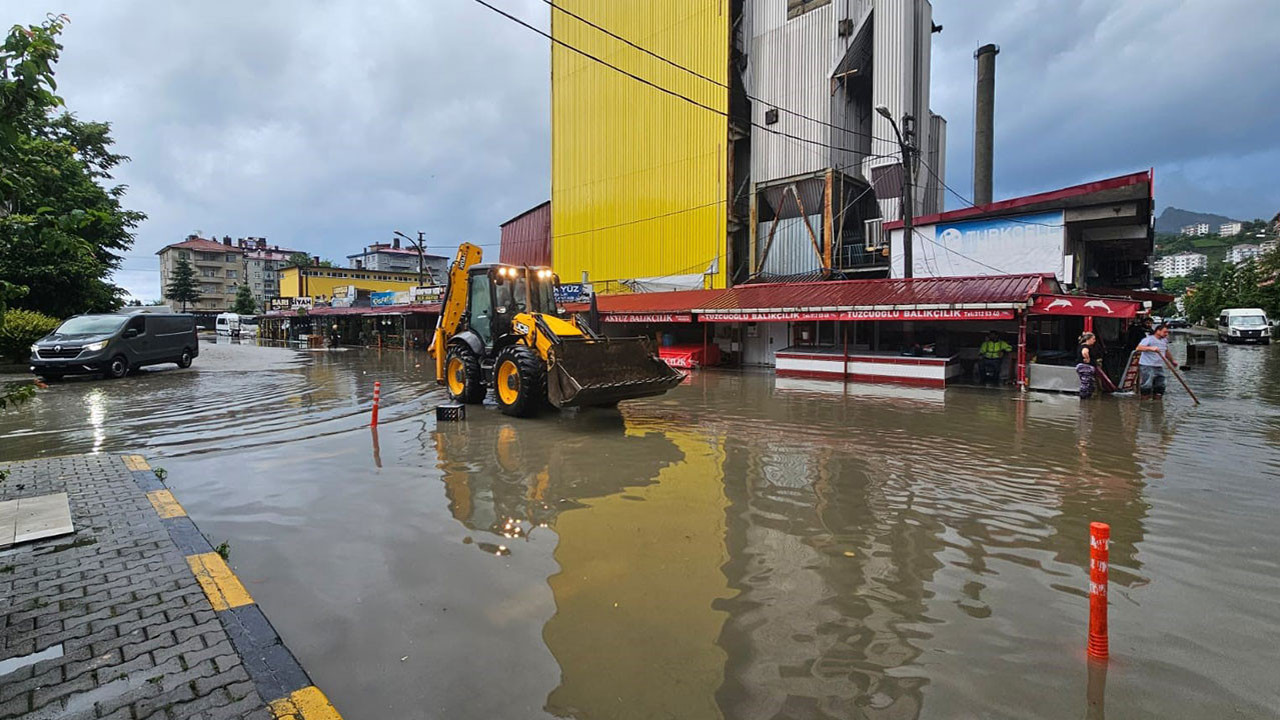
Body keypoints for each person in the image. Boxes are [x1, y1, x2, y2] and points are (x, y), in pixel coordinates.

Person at [1136, 323, 1177, 398]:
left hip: (1158, 366)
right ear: (1158, 331)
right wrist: (1151, 348)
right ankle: (1145, 402)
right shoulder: (1148, 339)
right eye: (1165, 332)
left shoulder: (1164, 340)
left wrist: (1172, 361)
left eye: (1167, 332)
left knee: (1160, 385)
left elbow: (1166, 351)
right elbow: (1139, 348)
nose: (1166, 334)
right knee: (1147, 385)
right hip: (1147, 365)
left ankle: (1157, 401)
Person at [1076, 332, 1098, 399]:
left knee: (1090, 384)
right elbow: (1085, 352)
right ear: (1088, 339)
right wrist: (1087, 358)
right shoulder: (1085, 346)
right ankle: (1083, 399)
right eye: (1093, 339)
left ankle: (1086, 398)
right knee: (1086, 384)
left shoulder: (1083, 346)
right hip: (1085, 367)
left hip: (1085, 367)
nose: (1094, 341)